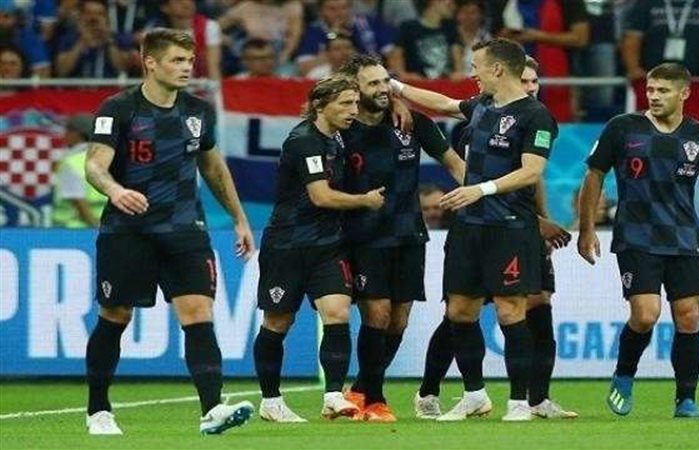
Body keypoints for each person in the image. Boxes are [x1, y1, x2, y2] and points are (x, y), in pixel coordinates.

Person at [83, 28, 256, 435]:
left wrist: (239, 218)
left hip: (185, 229)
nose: (186, 68)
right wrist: (116, 190)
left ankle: (212, 410)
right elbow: (94, 165)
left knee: (198, 312)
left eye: (189, 60)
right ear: (151, 63)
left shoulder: (198, 111)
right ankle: (98, 410)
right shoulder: (119, 108)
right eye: (177, 60)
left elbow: (212, 166)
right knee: (115, 315)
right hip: (128, 230)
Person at [391, 38, 558, 421]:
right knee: (460, 311)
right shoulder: (482, 105)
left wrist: (480, 189)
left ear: (497, 69)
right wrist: (395, 86)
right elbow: (444, 104)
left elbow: (531, 171)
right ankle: (474, 395)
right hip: (468, 227)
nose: (472, 72)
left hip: (509, 227)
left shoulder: (536, 116)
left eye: (477, 65)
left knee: (510, 311)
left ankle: (519, 403)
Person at [577, 62, 699, 419]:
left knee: (689, 316)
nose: (653, 96)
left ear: (684, 93)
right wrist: (586, 228)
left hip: (684, 238)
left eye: (663, 90)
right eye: (650, 89)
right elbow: (594, 176)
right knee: (646, 315)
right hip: (636, 236)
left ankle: (686, 400)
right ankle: (624, 375)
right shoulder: (622, 127)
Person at [335, 54, 465, 422]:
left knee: (398, 321)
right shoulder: (341, 130)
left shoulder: (413, 122)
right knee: (376, 313)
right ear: (354, 89)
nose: (383, 89)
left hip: (409, 233)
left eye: (385, 81)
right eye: (373, 83)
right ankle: (375, 400)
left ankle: (360, 390)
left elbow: (456, 165)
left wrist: (484, 193)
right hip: (363, 235)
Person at [253, 75, 386, 423]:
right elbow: (321, 196)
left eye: (355, 103)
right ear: (319, 106)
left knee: (338, 312)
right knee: (277, 321)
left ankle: (332, 395)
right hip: (287, 244)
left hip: (328, 245)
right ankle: (270, 401)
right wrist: (365, 200)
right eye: (345, 103)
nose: (353, 110)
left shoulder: (337, 138)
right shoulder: (304, 141)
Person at [53, 113, 106, 228]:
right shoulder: (108, 157)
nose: (64, 135)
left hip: (75, 229)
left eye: (67, 131)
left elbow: (77, 201)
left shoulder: (71, 162)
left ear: (77, 134)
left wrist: (96, 227)